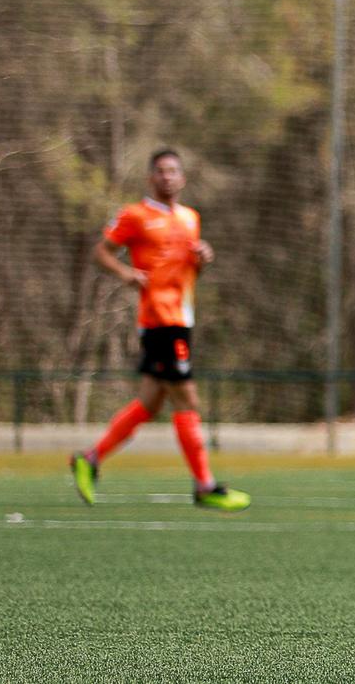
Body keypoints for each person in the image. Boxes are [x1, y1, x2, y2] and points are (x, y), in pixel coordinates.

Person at [68, 148, 249, 511]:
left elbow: (190, 274)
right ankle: (204, 485)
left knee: (149, 403)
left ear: (182, 178)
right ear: (151, 177)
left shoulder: (191, 219)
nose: (168, 177)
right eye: (161, 171)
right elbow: (101, 252)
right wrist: (126, 274)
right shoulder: (135, 215)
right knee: (188, 400)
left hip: (181, 318)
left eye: (174, 171)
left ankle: (90, 459)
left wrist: (203, 261)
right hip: (159, 319)